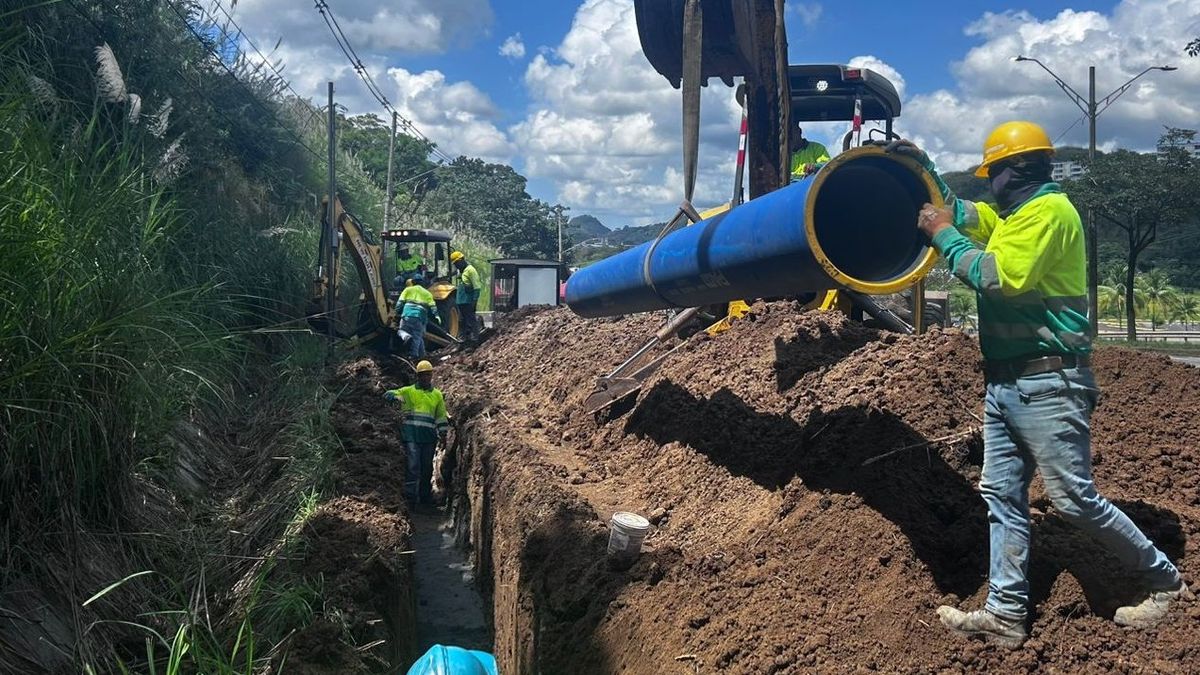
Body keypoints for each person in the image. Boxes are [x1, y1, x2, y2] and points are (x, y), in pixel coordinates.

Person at [887, 122, 1191, 648]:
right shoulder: (1016, 217)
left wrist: (942, 236)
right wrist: (925, 170)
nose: (990, 184)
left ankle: (1165, 582)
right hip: (1007, 383)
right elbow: (963, 213)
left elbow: (998, 278)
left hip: (1049, 382)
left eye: (993, 173)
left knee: (1072, 498)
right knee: (1001, 494)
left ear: (1011, 171)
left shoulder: (1049, 215)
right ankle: (1006, 615)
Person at [383, 360, 449, 506]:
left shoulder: (437, 395)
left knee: (426, 468)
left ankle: (425, 498)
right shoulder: (408, 391)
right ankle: (411, 499)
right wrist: (393, 396)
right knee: (413, 467)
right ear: (418, 376)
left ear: (431, 376)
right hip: (411, 436)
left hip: (429, 438)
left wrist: (443, 434)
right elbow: (389, 393)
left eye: (428, 375)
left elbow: (441, 416)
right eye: (422, 375)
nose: (425, 378)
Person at [398, 274, 438, 359]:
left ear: (412, 282)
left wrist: (397, 311)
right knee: (417, 337)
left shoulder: (407, 289)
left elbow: (400, 302)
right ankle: (418, 355)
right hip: (420, 317)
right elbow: (433, 307)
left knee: (401, 331)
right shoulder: (427, 293)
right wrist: (437, 316)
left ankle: (413, 351)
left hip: (406, 315)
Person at [451, 251, 481, 340]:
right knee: (463, 321)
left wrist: (474, 301)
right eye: (455, 264)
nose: (456, 266)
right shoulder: (462, 271)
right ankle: (464, 339)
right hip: (461, 301)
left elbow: (477, 287)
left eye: (457, 263)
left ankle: (475, 339)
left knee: (471, 320)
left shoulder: (470, 270)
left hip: (468, 301)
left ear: (462, 260)